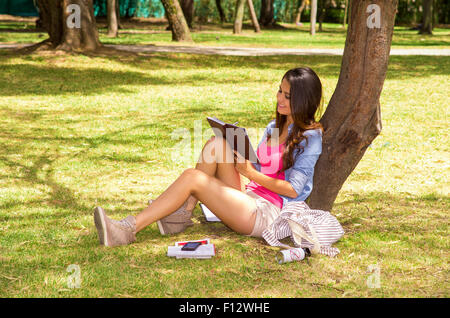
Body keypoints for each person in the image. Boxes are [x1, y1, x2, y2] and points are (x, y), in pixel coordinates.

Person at [93, 67, 324, 247]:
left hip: (267, 212)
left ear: (303, 100)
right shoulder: (275, 125)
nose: (280, 99)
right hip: (251, 194)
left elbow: (294, 189)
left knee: (193, 178)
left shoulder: (310, 138)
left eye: (288, 96)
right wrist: (239, 152)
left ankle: (127, 230)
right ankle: (182, 215)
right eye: (280, 91)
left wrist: (250, 172)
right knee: (216, 144)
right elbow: (263, 167)